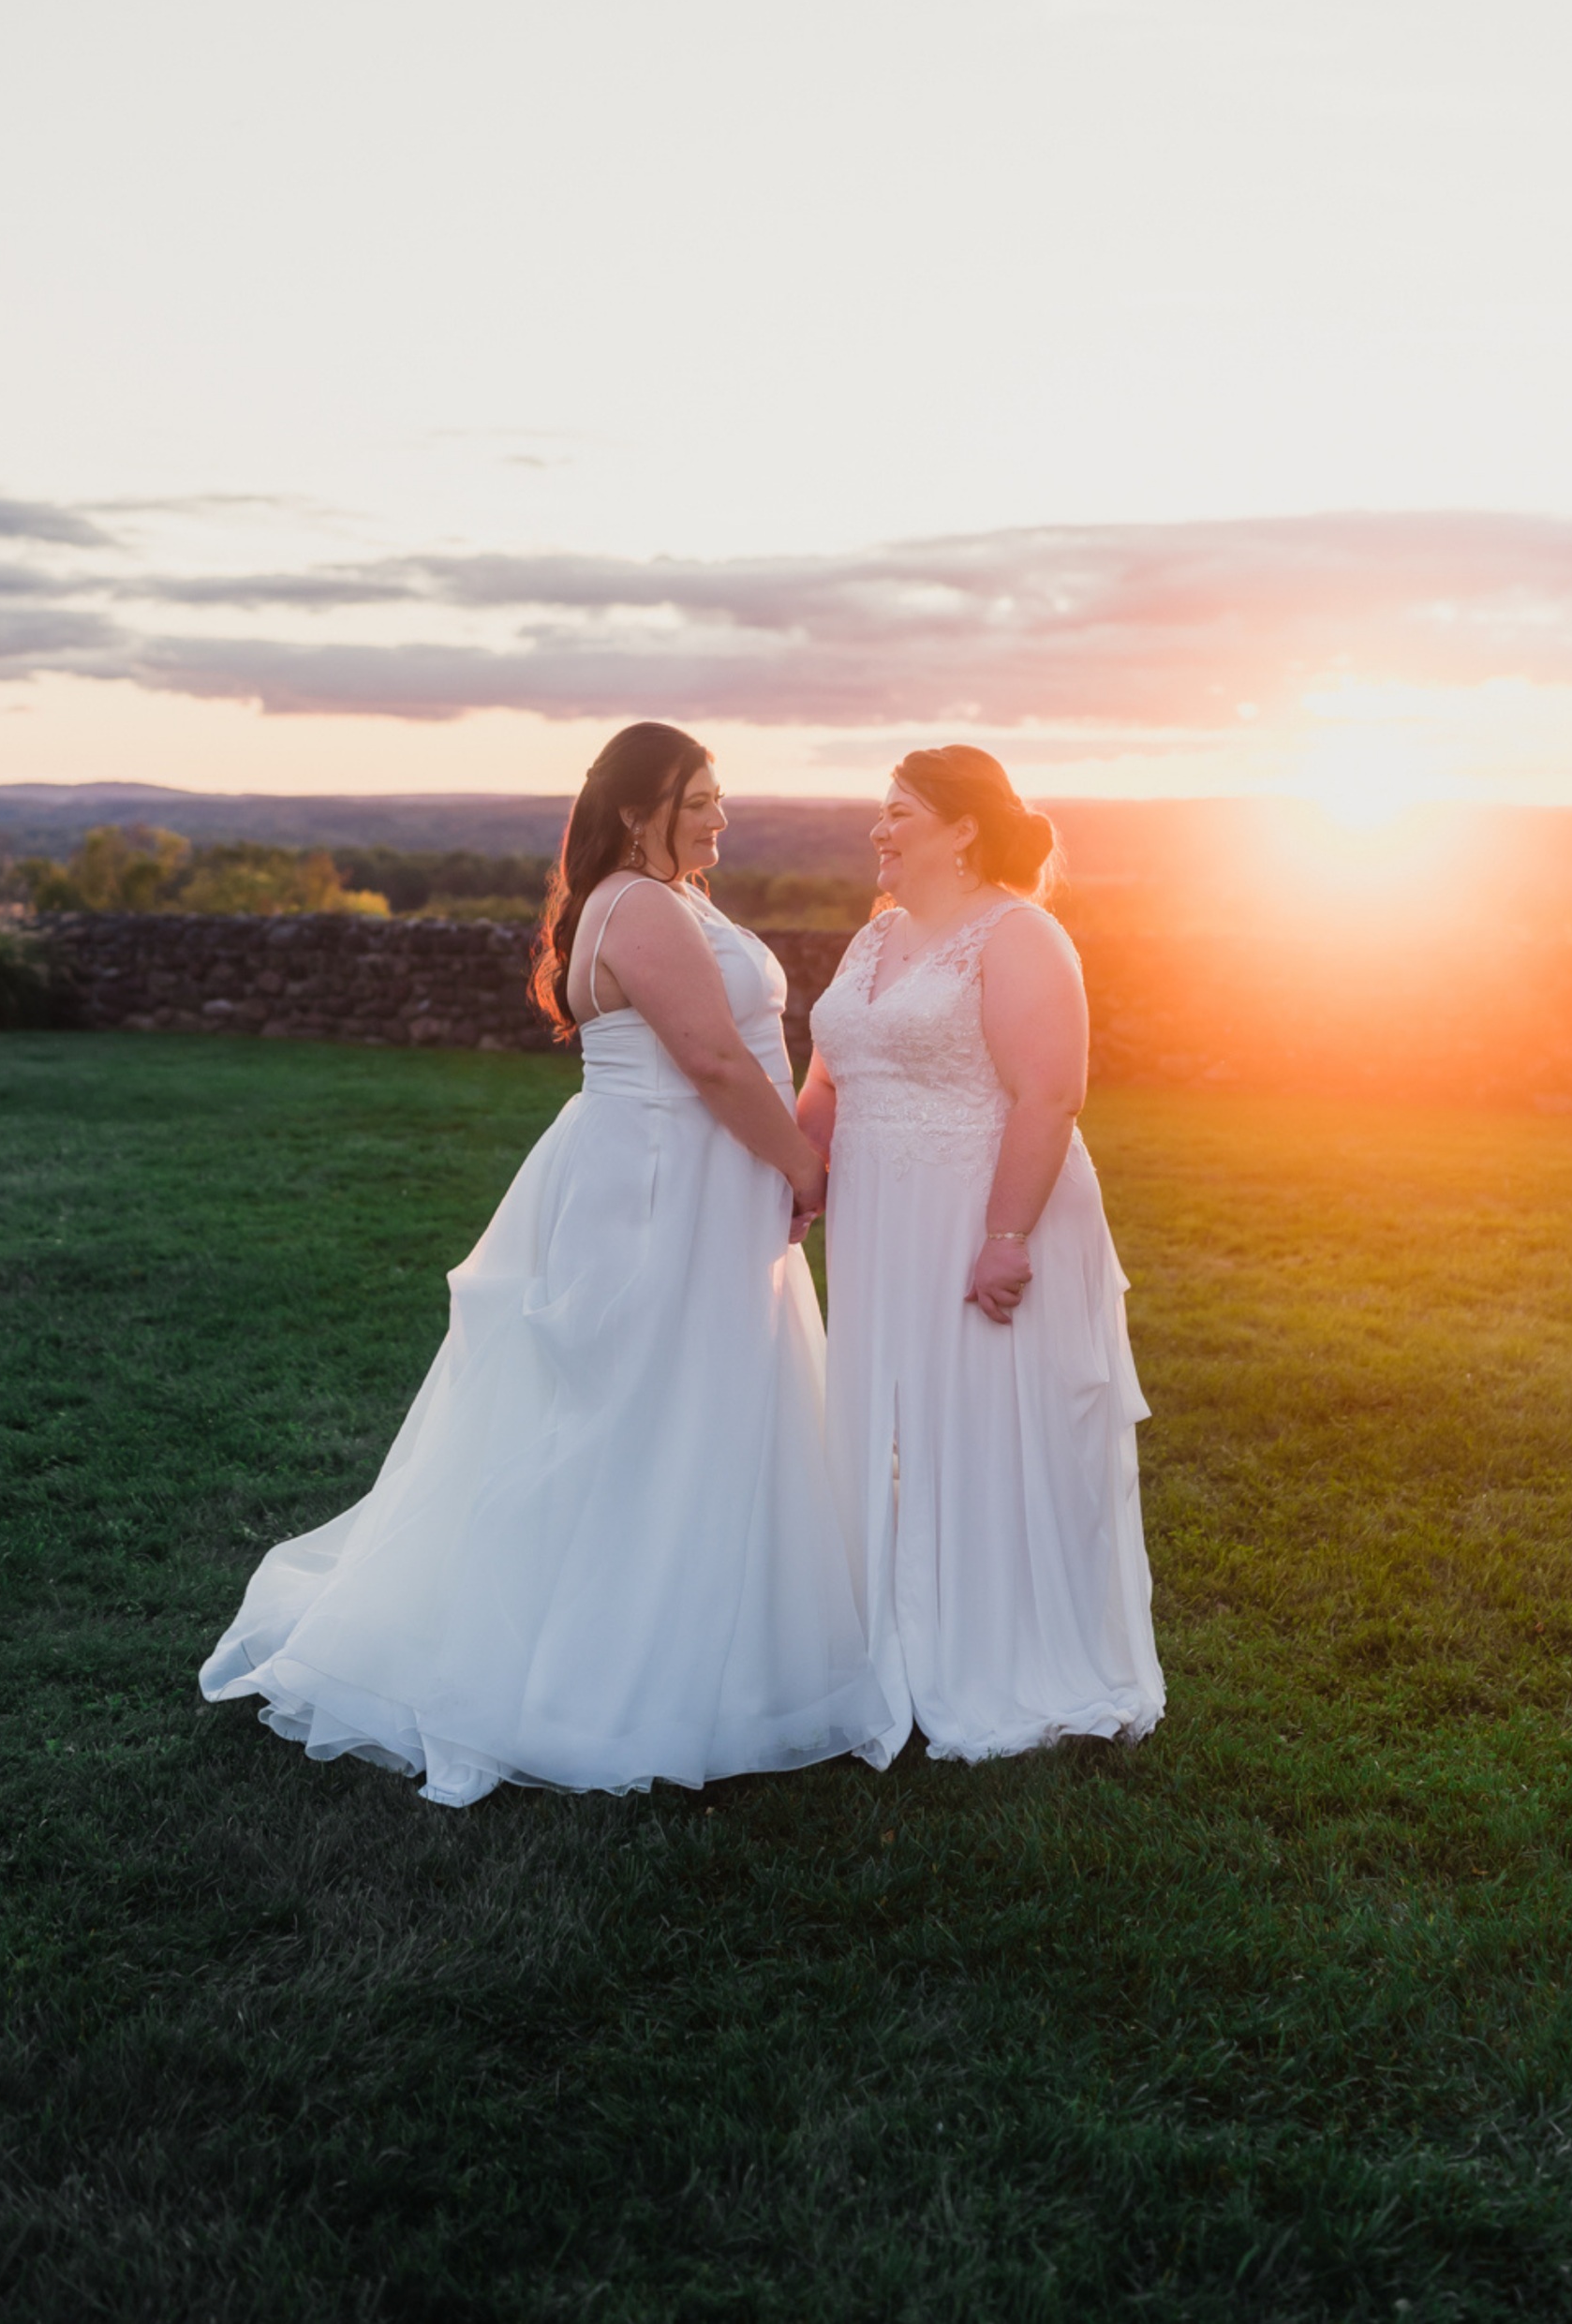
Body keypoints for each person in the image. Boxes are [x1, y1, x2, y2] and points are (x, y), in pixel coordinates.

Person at [201, 721, 897, 1803]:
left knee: (694, 1409)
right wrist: (802, 1170)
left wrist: (770, 1169)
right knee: (639, 1410)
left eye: (722, 795)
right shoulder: (639, 906)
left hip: (698, 1178)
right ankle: (595, 1671)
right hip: (662, 1185)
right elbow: (713, 1059)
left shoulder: (673, 899)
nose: (723, 814)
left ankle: (711, 1638)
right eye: (700, 797)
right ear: (636, 808)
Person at [800, 744, 1164, 1764]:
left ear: (963, 829)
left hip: (984, 1207)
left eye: (900, 811)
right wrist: (794, 1169)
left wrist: (1004, 1236)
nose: (880, 829)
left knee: (986, 1418)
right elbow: (829, 1082)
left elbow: (1051, 1093)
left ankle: (1001, 1650)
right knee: (889, 1418)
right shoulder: (874, 941)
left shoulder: (1021, 934)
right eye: (881, 810)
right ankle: (894, 1640)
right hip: (880, 1218)